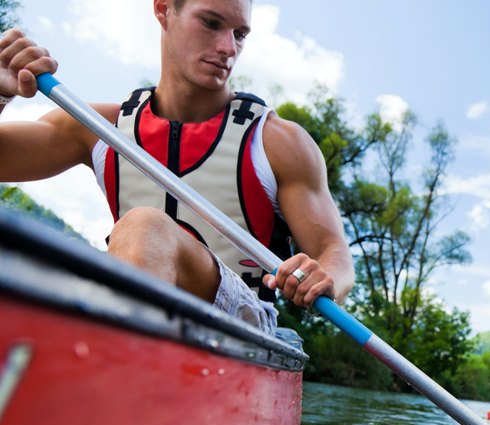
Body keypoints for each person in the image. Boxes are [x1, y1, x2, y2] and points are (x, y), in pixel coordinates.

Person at [0, 0, 354, 336]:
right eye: (211, 23)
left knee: (144, 225)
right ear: (164, 10)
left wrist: (324, 278)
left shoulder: (279, 142)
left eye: (240, 34)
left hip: (243, 324)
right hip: (131, 302)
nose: (229, 48)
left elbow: (334, 255)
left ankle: (108, 366)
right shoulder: (96, 127)